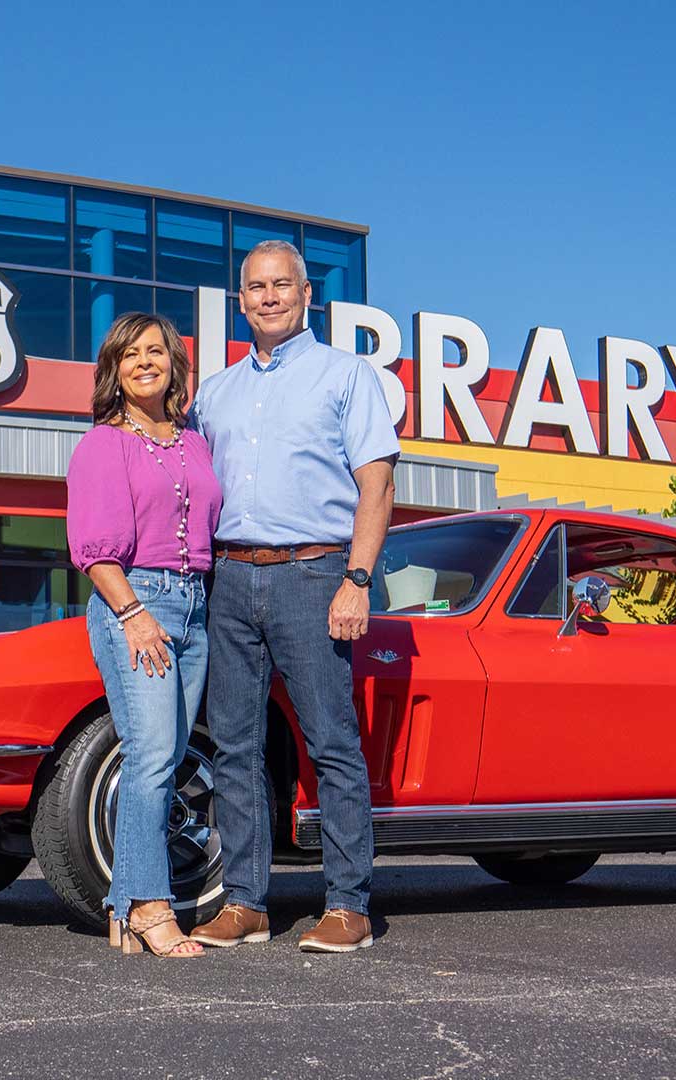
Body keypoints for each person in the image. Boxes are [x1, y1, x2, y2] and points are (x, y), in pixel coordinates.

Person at [188, 239, 398, 954]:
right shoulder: (213, 393)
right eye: (256, 286)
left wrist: (357, 579)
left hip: (315, 576)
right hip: (229, 578)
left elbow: (378, 486)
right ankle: (246, 902)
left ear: (307, 295)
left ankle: (348, 905)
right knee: (237, 749)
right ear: (240, 300)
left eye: (282, 284)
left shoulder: (347, 376)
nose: (269, 296)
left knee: (331, 743)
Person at [65, 311, 225, 959]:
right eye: (130, 354)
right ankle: (148, 908)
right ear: (114, 369)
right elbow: (94, 551)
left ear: (174, 363)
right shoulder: (104, 443)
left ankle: (128, 911)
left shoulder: (194, 441)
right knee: (152, 756)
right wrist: (133, 614)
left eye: (155, 351)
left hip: (195, 605)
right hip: (138, 601)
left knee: (166, 757)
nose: (144, 362)